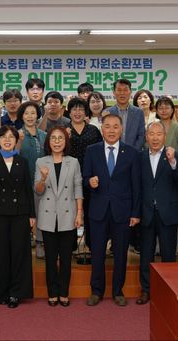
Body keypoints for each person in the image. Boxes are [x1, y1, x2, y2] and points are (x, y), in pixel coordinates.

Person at [82, 114, 141, 307]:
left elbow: (136, 186)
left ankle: (118, 291)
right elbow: (85, 177)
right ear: (102, 129)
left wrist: (135, 212)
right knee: (97, 253)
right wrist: (89, 182)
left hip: (122, 211)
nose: (112, 130)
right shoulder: (92, 151)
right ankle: (96, 291)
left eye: (116, 126)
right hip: (98, 210)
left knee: (121, 254)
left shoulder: (131, 152)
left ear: (121, 129)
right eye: (107, 126)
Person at [137, 121, 178, 305]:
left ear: (165, 137)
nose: (155, 137)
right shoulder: (140, 157)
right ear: (146, 137)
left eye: (159, 134)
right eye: (152, 134)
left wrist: (173, 162)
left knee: (168, 255)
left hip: (168, 212)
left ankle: (168, 291)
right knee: (146, 255)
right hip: (147, 212)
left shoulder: (174, 155)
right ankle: (146, 290)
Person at [0, 126, 35, 308]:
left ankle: (16, 293)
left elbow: (27, 188)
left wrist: (32, 214)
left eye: (11, 137)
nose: (7, 140)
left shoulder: (22, 161)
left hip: (19, 212)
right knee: (1, 254)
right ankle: (2, 292)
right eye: (3, 137)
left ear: (16, 141)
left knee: (19, 253)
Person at [34, 126, 83, 307]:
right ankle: (52, 293)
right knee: (50, 259)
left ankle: (64, 292)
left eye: (60, 138)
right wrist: (43, 179)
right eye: (53, 138)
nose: (56, 141)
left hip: (68, 215)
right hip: (48, 216)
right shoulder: (41, 162)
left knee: (65, 259)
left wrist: (79, 213)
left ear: (65, 141)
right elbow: (37, 191)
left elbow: (78, 188)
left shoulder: (74, 162)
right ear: (48, 142)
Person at [66, 98, 102, 256]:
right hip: (68, 178)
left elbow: (101, 153)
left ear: (86, 112)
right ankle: (70, 245)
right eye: (74, 109)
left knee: (90, 212)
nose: (77, 112)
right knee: (70, 211)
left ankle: (90, 244)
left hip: (89, 178)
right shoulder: (63, 130)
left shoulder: (93, 130)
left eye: (81, 109)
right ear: (69, 111)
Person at [16, 101, 47, 258]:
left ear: (37, 115)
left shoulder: (44, 135)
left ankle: (40, 242)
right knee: (24, 214)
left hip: (41, 182)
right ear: (22, 115)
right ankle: (25, 241)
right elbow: (12, 157)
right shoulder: (16, 134)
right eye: (26, 113)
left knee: (41, 213)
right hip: (22, 182)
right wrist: (19, 141)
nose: (30, 116)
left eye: (33, 113)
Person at [106, 79, 146, 151]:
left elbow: (141, 135)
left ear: (130, 92)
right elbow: (106, 134)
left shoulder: (139, 112)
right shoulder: (107, 112)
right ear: (114, 93)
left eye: (125, 90)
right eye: (119, 90)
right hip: (113, 153)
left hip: (134, 154)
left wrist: (133, 152)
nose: (122, 93)